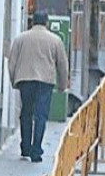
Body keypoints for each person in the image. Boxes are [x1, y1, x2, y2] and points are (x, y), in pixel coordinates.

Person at [8, 11, 68, 163]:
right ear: (46, 23)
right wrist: (62, 85)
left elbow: (12, 62)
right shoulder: (55, 40)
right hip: (45, 81)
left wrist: (14, 80)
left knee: (26, 112)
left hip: (25, 80)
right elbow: (62, 64)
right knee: (41, 115)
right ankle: (36, 151)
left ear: (32, 22)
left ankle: (25, 147)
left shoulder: (20, 38)